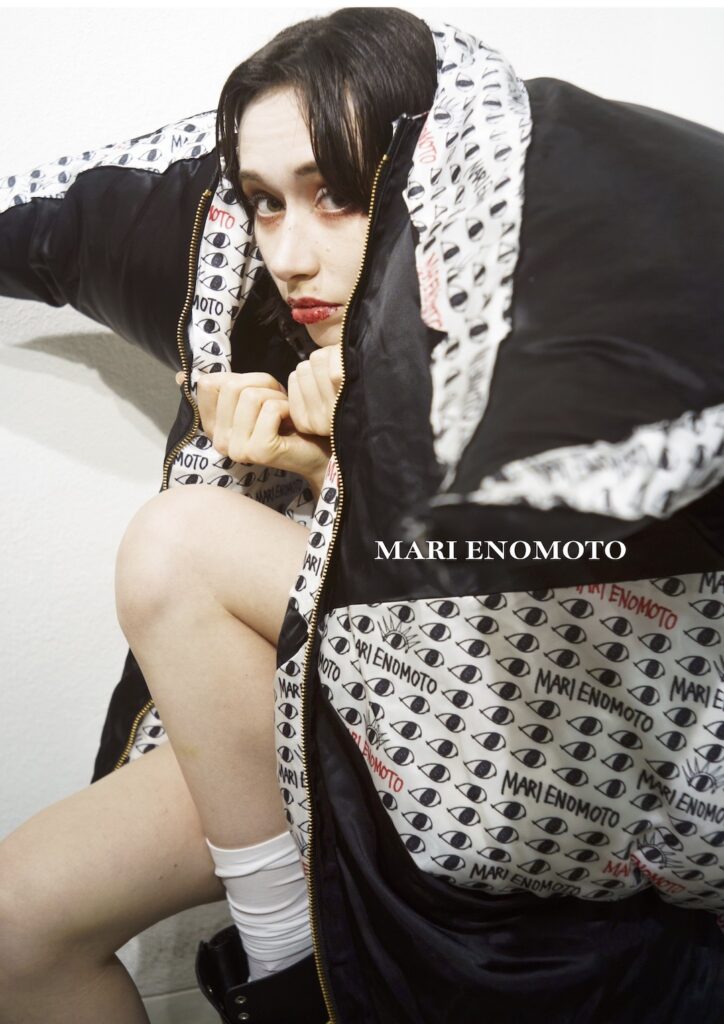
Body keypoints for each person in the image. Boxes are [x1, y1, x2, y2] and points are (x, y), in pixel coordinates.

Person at [2, 8, 724, 1024]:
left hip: (529, 735)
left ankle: (288, 967)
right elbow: (62, 228)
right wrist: (302, 457)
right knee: (17, 917)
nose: (290, 254)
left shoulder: (532, 322)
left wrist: (357, 450)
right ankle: (288, 950)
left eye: (335, 196)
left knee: (179, 541)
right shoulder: (255, 310)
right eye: (264, 202)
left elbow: (547, 593)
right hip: (318, 698)